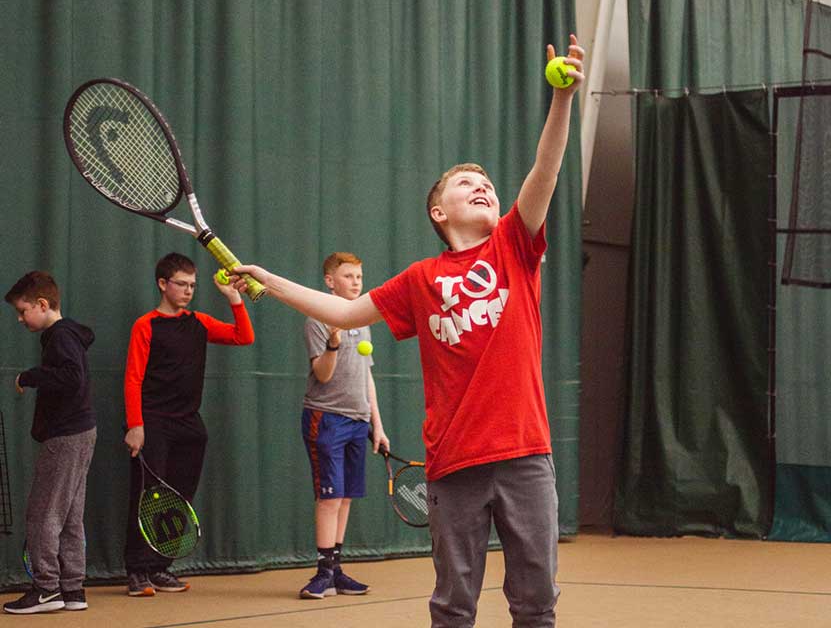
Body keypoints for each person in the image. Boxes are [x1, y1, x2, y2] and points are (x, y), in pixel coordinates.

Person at [231, 35, 584, 628]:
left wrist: (563, 99)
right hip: (453, 461)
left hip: (526, 454)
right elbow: (342, 313)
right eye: (464, 183)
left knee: (536, 604)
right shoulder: (420, 279)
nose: (482, 185)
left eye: (487, 183)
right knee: (452, 607)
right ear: (438, 213)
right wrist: (269, 281)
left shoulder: (514, 247)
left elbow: (544, 172)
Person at [122, 253, 255, 598]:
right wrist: (136, 425)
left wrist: (234, 299)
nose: (188, 291)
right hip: (153, 424)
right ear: (163, 284)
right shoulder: (145, 325)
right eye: (181, 284)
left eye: (193, 285)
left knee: (178, 499)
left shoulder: (199, 322)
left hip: (189, 425)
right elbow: (133, 378)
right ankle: (137, 571)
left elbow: (244, 337)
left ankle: (160, 567)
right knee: (147, 497)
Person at [3, 271, 97, 615]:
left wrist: (29, 377)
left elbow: (71, 377)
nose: (20, 317)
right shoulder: (66, 335)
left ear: (43, 305)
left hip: (67, 435)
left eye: (23, 309)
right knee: (70, 515)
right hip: (81, 432)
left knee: (43, 513)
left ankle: (46, 588)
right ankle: (72, 589)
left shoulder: (59, 337)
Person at [299, 251, 389, 600]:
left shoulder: (361, 319)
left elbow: (367, 376)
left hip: (358, 421)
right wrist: (334, 343)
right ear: (330, 281)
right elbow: (323, 375)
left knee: (346, 497)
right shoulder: (317, 320)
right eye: (349, 276)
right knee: (330, 498)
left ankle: (336, 570)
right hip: (326, 418)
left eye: (359, 277)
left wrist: (376, 425)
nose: (356, 283)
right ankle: (322, 573)